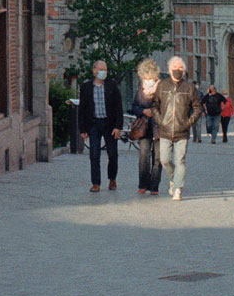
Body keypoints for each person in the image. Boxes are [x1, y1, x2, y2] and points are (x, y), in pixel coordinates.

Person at [152, 57, 198, 200]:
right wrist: (160, 121)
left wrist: (188, 122)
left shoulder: (189, 88)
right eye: (175, 67)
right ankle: (173, 178)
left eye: (180, 68)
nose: (178, 70)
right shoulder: (162, 86)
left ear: (183, 71)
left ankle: (178, 188)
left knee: (180, 161)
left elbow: (197, 108)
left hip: (182, 131)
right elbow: (154, 105)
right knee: (164, 160)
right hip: (165, 130)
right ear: (170, 69)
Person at [78, 60, 122, 192]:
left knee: (112, 154)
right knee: (94, 154)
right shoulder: (86, 88)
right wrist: (83, 129)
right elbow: (82, 109)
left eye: (105, 70)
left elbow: (118, 107)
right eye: (100, 69)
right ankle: (96, 182)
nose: (103, 72)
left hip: (109, 124)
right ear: (94, 71)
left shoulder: (112, 86)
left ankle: (112, 178)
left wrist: (117, 126)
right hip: (94, 123)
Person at [129, 61, 163, 196]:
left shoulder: (162, 87)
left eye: (150, 78)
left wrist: (153, 111)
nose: (147, 81)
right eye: (145, 78)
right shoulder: (140, 88)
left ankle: (154, 185)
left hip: (159, 127)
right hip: (144, 127)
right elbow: (135, 106)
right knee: (144, 155)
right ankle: (143, 184)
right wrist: (143, 111)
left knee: (158, 157)